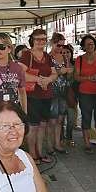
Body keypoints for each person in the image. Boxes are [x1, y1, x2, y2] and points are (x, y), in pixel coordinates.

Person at [19, 29, 58, 163]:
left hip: (46, 95)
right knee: (33, 126)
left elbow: (54, 73)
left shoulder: (47, 56)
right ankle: (33, 155)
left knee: (43, 125)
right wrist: (39, 80)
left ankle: (40, 153)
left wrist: (47, 80)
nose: (41, 41)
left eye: (43, 39)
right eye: (38, 39)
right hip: (32, 96)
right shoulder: (26, 55)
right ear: (32, 40)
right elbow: (20, 74)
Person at [75, 35, 96, 154]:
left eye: (92, 44)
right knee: (86, 117)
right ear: (83, 46)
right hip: (85, 93)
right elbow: (76, 77)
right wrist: (89, 77)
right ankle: (87, 143)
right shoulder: (79, 59)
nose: (91, 46)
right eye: (88, 44)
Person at [48, 32, 71, 154]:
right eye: (58, 45)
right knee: (52, 120)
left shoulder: (63, 57)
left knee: (60, 119)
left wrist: (66, 62)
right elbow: (48, 72)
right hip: (52, 91)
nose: (60, 48)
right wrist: (61, 70)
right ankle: (51, 145)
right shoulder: (48, 57)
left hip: (63, 90)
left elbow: (68, 72)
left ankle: (57, 143)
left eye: (62, 45)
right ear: (52, 43)